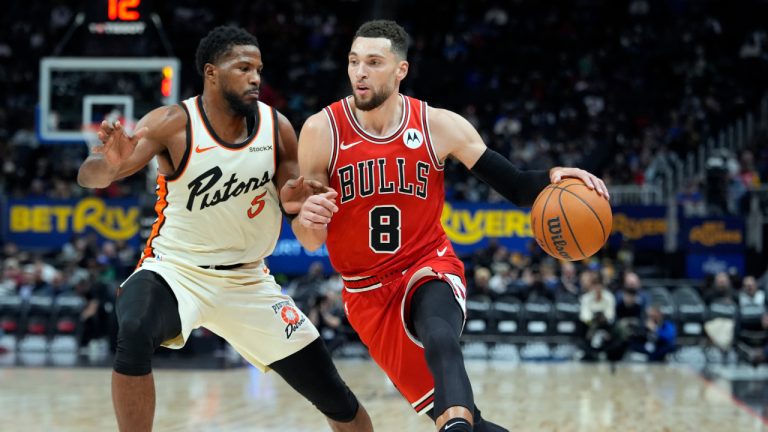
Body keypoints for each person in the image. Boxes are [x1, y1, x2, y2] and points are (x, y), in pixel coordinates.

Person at [288, 20, 609, 432]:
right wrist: (306, 219)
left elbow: (512, 185)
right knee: (464, 421)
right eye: (353, 62)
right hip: (366, 293)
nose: (360, 72)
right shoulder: (321, 130)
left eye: (373, 62)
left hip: (428, 264)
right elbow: (310, 237)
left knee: (440, 334)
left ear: (400, 70)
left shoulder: (437, 125)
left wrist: (554, 176)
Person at [77, 26, 372, 432]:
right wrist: (109, 164)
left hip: (249, 281)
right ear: (212, 73)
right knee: (133, 326)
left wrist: (304, 211)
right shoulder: (172, 123)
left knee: (337, 400)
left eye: (259, 69)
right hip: (178, 271)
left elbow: (301, 222)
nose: (255, 77)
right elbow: (89, 177)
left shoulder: (277, 128)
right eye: (244, 67)